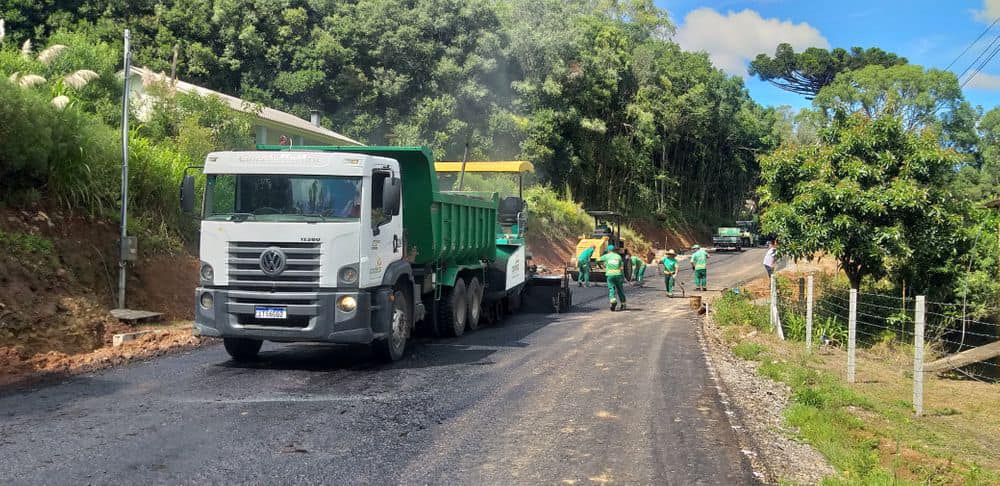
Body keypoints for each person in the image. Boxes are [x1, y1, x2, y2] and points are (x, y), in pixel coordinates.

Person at [600, 245, 626, 311]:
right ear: (615, 250)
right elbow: (621, 268)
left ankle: (613, 300)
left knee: (611, 288)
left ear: (608, 250)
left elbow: (598, 259)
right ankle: (623, 304)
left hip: (610, 275)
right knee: (620, 289)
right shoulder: (618, 256)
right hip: (618, 275)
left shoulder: (606, 256)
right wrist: (623, 276)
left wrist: (602, 265)